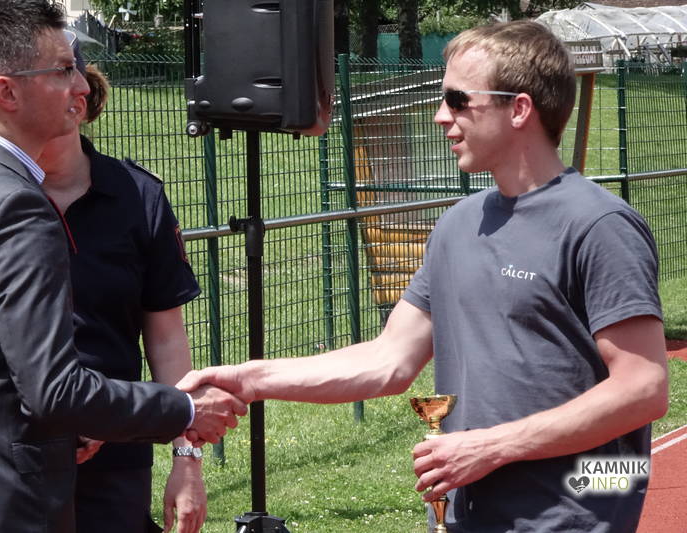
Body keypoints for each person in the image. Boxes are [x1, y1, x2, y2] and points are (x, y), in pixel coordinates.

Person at [178, 20, 669, 533]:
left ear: (519, 109)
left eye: (458, 100)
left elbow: (643, 388)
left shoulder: (599, 225)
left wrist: (491, 447)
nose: (441, 116)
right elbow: (389, 360)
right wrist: (251, 379)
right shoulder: (459, 223)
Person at [0, 2, 245, 532]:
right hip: (9, 503)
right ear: (7, 92)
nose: (81, 84)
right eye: (62, 69)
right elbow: (54, 391)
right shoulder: (17, 205)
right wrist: (186, 409)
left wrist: (181, 454)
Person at [37, 54, 206, 533]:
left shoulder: (137, 194)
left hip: (117, 460)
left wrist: (186, 458)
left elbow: (167, 337)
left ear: (82, 98)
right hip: (18, 456)